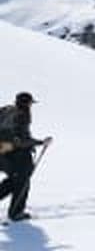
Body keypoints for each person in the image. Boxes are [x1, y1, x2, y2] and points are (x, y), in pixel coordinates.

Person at [0, 92, 52, 222]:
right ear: (27, 103)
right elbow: (21, 140)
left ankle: (16, 211)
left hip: (3, 153)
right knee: (22, 183)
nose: (31, 106)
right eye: (30, 103)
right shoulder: (22, 115)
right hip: (17, 156)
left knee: (14, 180)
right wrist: (41, 142)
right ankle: (16, 213)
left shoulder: (6, 110)